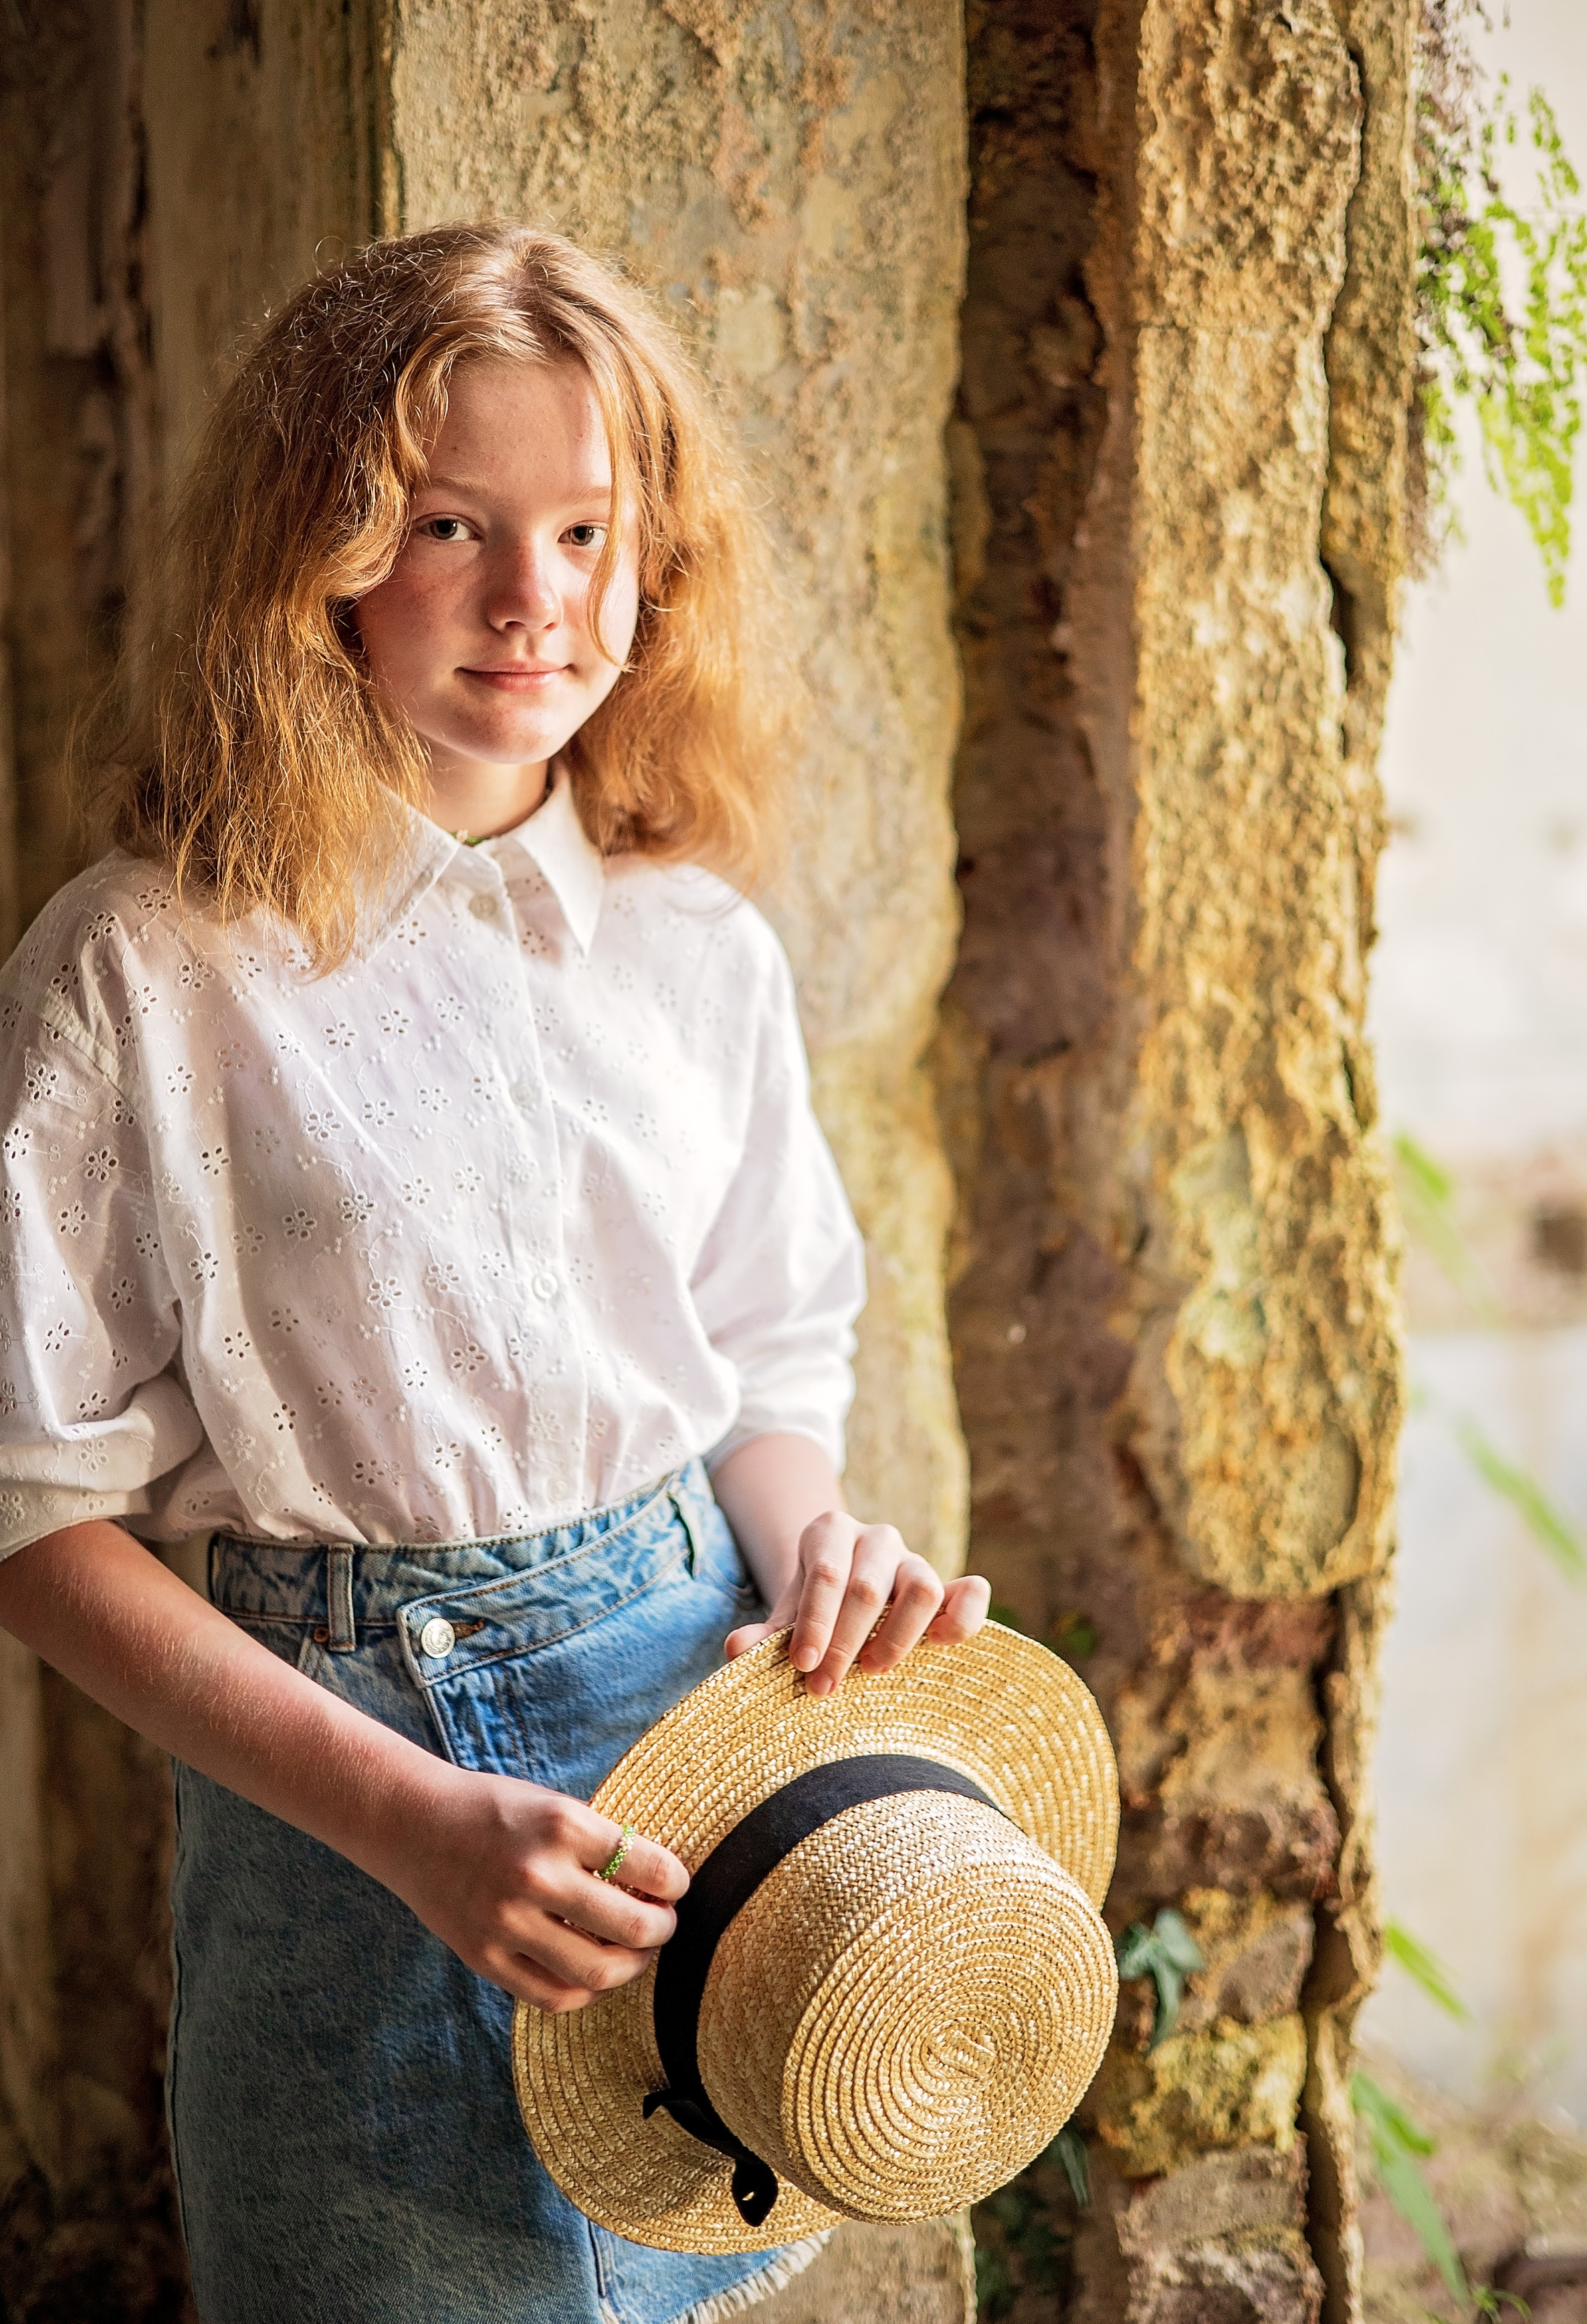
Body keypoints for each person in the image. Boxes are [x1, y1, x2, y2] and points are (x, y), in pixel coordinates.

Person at [0, 225, 990, 2324]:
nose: (533, 597)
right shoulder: (143, 967)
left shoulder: (695, 946)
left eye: (584, 528)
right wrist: (416, 1823)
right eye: (450, 525)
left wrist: (821, 1551)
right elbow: (26, 1509)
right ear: (320, 557)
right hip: (345, 1789)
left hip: (695, 1738)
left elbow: (763, 1360)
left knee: (689, 2286)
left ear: (655, 563)